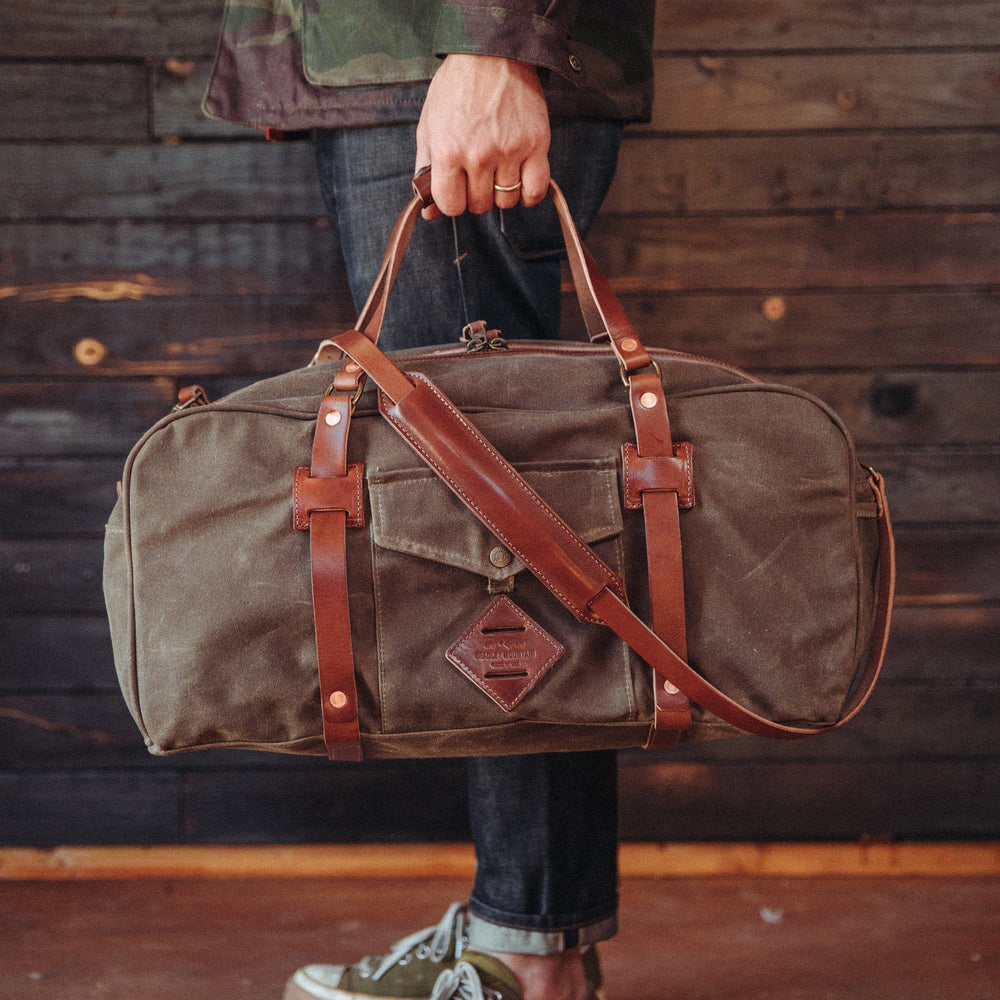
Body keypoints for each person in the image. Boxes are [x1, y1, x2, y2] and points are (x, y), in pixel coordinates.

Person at [203, 4, 658, 999]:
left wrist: (492, 42)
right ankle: (533, 935)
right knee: (492, 514)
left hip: (445, 54)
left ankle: (527, 961)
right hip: (390, 61)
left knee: (499, 519)